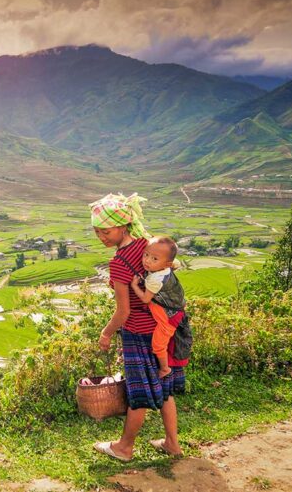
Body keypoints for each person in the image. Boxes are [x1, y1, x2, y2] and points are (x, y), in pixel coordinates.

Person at [90, 193, 185, 462]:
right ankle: (172, 444)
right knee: (163, 386)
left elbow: (124, 311)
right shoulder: (147, 245)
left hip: (138, 333)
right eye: (97, 232)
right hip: (162, 328)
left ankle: (124, 447)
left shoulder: (120, 262)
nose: (101, 237)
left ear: (122, 226)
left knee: (139, 391)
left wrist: (106, 333)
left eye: (106, 231)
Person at [129, 236, 186, 379]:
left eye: (154, 259)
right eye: (146, 255)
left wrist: (135, 285)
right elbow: (175, 262)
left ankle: (165, 369)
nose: (147, 260)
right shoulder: (166, 266)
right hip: (173, 310)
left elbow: (145, 298)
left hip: (169, 318)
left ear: (166, 264)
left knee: (158, 345)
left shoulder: (156, 279)